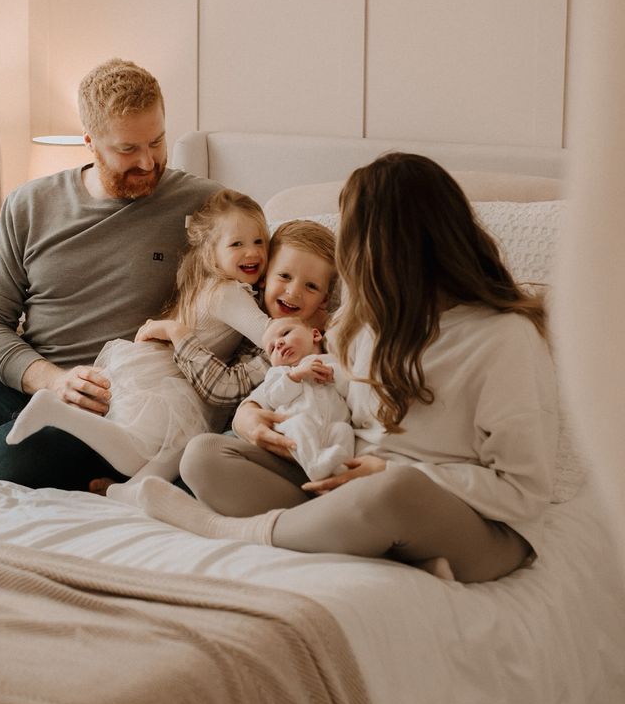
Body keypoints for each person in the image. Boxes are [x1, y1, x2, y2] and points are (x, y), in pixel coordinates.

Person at [132, 152, 560, 584]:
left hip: (475, 524)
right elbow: (321, 380)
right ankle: (364, 541)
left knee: (395, 492)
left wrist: (390, 472)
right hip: (349, 483)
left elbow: (523, 491)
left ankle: (246, 532)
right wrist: (250, 413)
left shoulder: (504, 337)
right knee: (205, 456)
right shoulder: (363, 321)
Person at [0, 58, 221, 490]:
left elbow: (273, 279)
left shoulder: (207, 209)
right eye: (127, 149)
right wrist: (49, 377)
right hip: (20, 382)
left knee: (9, 472)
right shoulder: (31, 204)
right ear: (89, 141)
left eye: (157, 141)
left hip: (109, 405)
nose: (148, 161)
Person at [5, 189, 271, 486]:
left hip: (163, 373)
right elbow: (269, 335)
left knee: (172, 454)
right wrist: (310, 337)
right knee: (136, 454)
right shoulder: (230, 293)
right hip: (173, 381)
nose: (252, 252)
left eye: (259, 241)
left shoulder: (209, 284)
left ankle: (127, 493)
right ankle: (55, 413)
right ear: (211, 252)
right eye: (237, 244)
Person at [90, 218, 339, 499]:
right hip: (235, 433)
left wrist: (177, 333)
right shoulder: (249, 317)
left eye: (311, 287)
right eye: (284, 277)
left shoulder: (289, 348)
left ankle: (145, 493)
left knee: (196, 461)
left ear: (324, 301)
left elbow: (222, 389)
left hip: (281, 439)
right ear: (265, 277)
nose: (293, 292)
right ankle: (135, 489)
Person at [255, 317, 354, 481]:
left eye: (285, 333)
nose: (278, 344)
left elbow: (352, 389)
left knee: (343, 430)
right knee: (299, 422)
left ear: (315, 335)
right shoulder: (279, 373)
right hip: (296, 432)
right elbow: (274, 398)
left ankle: (341, 470)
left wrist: (333, 375)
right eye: (271, 349)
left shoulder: (332, 361)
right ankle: (314, 464)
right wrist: (295, 375)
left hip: (329, 430)